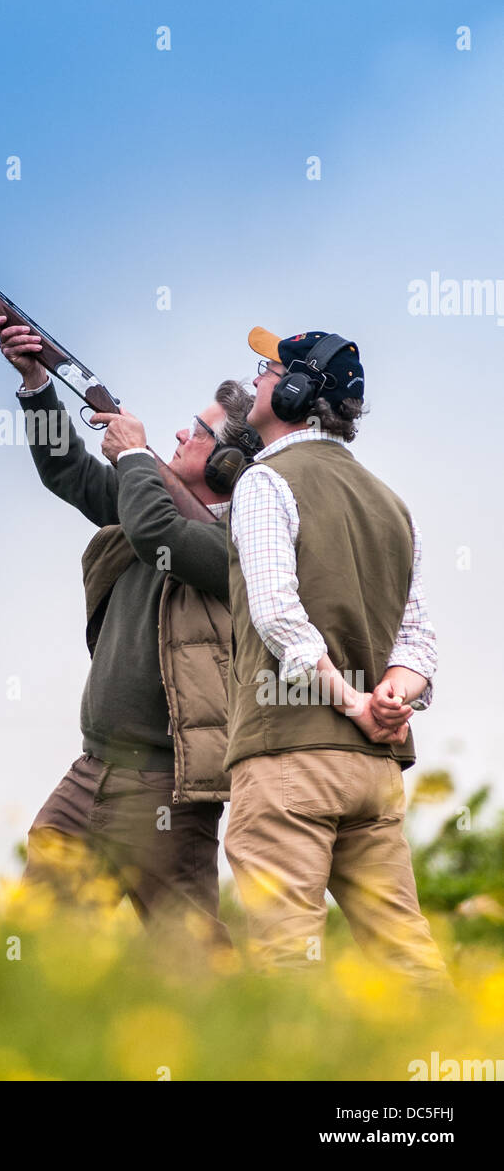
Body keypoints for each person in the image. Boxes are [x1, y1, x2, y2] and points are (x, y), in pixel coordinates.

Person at [0, 314, 255, 959]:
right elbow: (70, 473)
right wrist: (36, 385)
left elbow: (160, 531)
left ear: (228, 458)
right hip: (92, 769)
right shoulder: (148, 500)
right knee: (38, 947)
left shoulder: (244, 538)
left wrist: (136, 455)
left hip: (168, 786)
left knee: (193, 963)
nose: (179, 434)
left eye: (198, 430)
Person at [223, 325, 449, 988]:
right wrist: (389, 701)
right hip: (372, 775)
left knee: (285, 958)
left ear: (294, 391)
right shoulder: (391, 504)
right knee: (407, 957)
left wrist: (351, 701)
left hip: (288, 758)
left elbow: (277, 613)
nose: (256, 381)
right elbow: (420, 639)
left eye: (266, 370)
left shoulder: (264, 483)